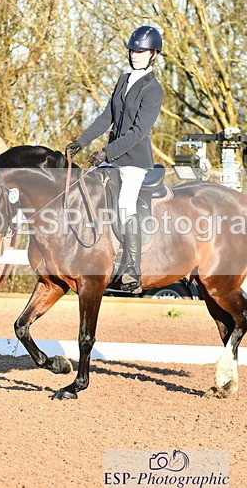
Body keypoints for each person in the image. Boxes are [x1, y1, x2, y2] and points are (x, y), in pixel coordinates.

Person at [65, 25, 164, 292]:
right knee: (88, 193)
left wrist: (106, 152)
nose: (135, 55)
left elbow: (137, 132)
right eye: (133, 50)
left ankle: (132, 268)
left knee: (124, 205)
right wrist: (82, 141)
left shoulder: (154, 90)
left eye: (141, 51)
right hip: (112, 158)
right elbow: (107, 116)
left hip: (134, 160)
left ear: (153, 54)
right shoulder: (123, 79)